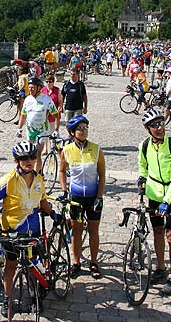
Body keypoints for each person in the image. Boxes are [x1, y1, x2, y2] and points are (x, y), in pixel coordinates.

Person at [0, 141, 60, 315]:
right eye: (24, 158)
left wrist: (53, 214)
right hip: (12, 231)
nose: (29, 161)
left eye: (32, 157)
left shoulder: (39, 179)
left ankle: (35, 295)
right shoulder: (8, 180)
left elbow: (42, 201)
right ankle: (7, 299)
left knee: (32, 266)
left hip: (32, 231)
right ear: (16, 160)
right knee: (11, 265)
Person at [137, 108, 171, 296]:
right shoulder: (144, 146)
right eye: (154, 125)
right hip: (153, 194)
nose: (159, 128)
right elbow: (143, 166)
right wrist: (141, 179)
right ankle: (161, 267)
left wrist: (167, 200)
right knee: (157, 231)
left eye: (161, 123)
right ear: (147, 129)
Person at [58, 116, 105, 279]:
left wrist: (99, 197)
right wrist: (64, 191)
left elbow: (102, 176)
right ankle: (76, 263)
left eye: (86, 127)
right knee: (76, 231)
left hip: (93, 197)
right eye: (80, 128)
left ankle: (93, 262)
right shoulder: (66, 150)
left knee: (93, 230)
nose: (84, 131)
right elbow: (62, 171)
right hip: (76, 197)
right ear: (72, 132)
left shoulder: (96, 149)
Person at [16, 77, 58, 170]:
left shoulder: (46, 99)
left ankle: (37, 174)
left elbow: (56, 115)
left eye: (32, 88)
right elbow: (23, 115)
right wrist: (19, 129)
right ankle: (30, 172)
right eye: (29, 87)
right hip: (30, 131)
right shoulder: (27, 99)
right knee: (29, 154)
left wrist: (56, 129)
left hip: (42, 131)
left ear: (39, 88)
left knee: (37, 154)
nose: (30, 90)